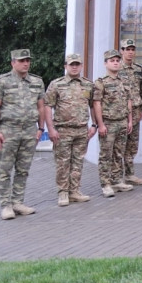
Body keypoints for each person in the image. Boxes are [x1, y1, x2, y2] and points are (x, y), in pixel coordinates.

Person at [0, 48, 50, 220]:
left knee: (23, 169)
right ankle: (5, 205)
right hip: (9, 130)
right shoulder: (1, 82)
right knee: (5, 169)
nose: (26, 63)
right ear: (13, 63)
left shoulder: (37, 81)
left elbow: (41, 106)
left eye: (28, 60)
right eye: (22, 61)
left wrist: (40, 128)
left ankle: (18, 202)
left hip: (29, 130)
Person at [45, 53, 96, 206]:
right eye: (71, 64)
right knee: (63, 162)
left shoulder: (88, 84)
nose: (74, 67)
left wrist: (94, 124)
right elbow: (48, 106)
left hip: (82, 130)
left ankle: (74, 191)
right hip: (63, 130)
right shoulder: (56, 84)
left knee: (78, 162)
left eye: (77, 64)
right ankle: (63, 192)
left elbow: (93, 105)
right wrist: (50, 129)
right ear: (65, 66)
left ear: (81, 66)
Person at [93, 49, 134, 197]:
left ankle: (116, 181)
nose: (116, 63)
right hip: (108, 123)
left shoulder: (123, 81)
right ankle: (105, 184)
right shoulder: (101, 82)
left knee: (118, 153)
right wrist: (100, 124)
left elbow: (128, 101)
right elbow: (96, 103)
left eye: (117, 60)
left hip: (122, 122)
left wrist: (130, 120)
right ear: (106, 63)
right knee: (106, 155)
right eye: (112, 61)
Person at [117, 39, 142, 186]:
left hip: (135, 111)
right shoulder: (116, 67)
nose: (130, 52)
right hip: (120, 112)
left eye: (132, 49)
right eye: (127, 49)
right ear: (121, 51)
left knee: (132, 145)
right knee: (119, 145)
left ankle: (129, 174)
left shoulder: (139, 69)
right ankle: (117, 177)